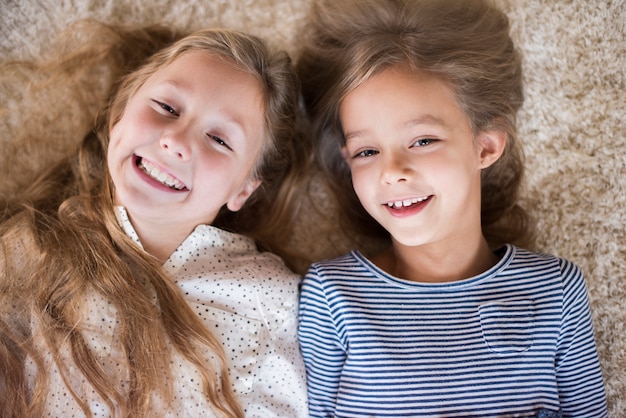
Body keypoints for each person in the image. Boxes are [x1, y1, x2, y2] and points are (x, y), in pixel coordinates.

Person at [295, 0, 608, 417]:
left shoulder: (555, 291)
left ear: (486, 145)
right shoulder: (333, 295)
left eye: (423, 140)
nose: (392, 171)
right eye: (367, 150)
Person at [0, 21, 309, 417]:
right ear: (119, 116)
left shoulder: (270, 297)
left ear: (243, 190)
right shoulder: (25, 253)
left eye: (219, 139)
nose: (176, 142)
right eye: (166, 108)